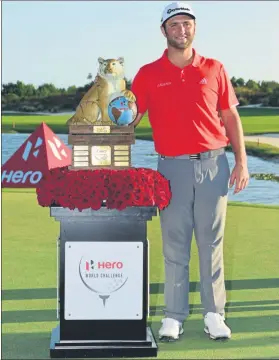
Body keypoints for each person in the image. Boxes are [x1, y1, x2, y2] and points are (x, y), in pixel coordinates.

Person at [131, 1, 249, 342]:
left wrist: (241, 161)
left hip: (214, 164)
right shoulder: (148, 73)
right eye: (175, 24)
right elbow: (132, 118)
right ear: (164, 31)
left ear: (194, 28)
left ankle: (214, 315)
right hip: (171, 168)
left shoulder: (214, 68)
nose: (182, 29)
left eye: (187, 23)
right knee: (175, 243)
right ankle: (174, 316)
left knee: (211, 243)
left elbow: (230, 118)